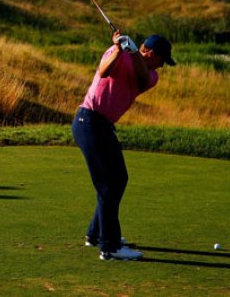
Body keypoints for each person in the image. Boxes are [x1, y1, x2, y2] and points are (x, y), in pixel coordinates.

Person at [72, 30, 176, 261]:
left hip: (103, 126)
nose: (161, 66)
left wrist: (132, 53)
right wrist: (119, 49)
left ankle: (96, 235)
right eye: (162, 60)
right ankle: (110, 247)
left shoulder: (150, 75)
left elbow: (141, 78)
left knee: (118, 180)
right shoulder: (117, 53)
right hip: (88, 121)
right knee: (109, 186)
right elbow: (104, 71)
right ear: (150, 52)